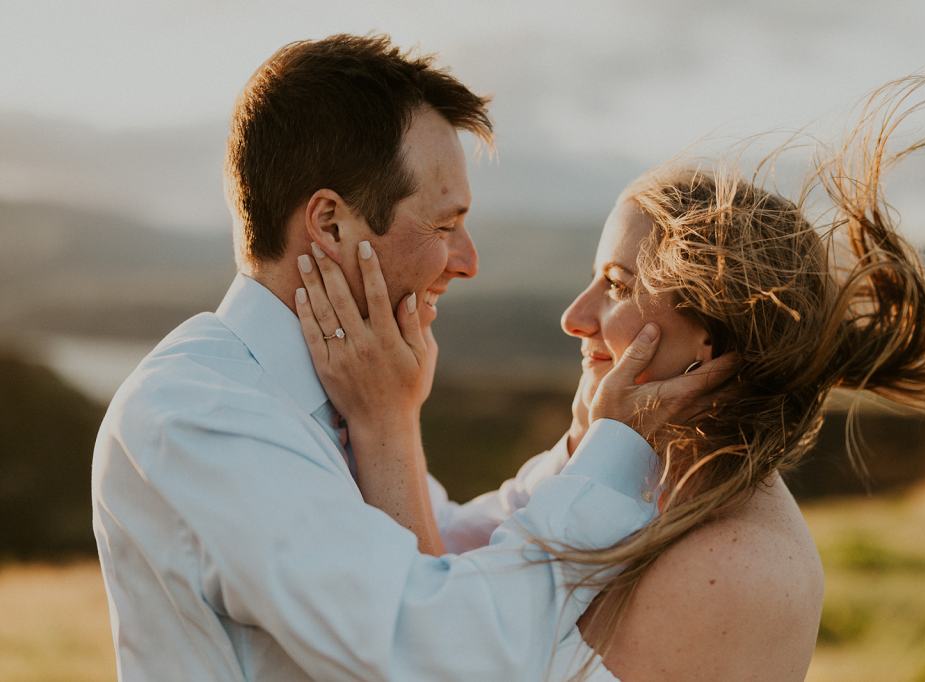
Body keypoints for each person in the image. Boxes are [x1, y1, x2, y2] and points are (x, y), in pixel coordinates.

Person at [299, 74, 925, 680]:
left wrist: (387, 421)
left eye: (616, 285)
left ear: (711, 335)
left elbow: (432, 659)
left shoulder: (731, 564)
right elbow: (458, 561)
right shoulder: (636, 473)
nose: (575, 318)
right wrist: (571, 449)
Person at [91, 34, 736, 681]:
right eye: (445, 225)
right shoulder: (197, 416)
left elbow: (447, 546)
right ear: (330, 224)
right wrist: (613, 459)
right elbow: (437, 650)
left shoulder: (340, 389)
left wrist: (583, 446)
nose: (468, 261)